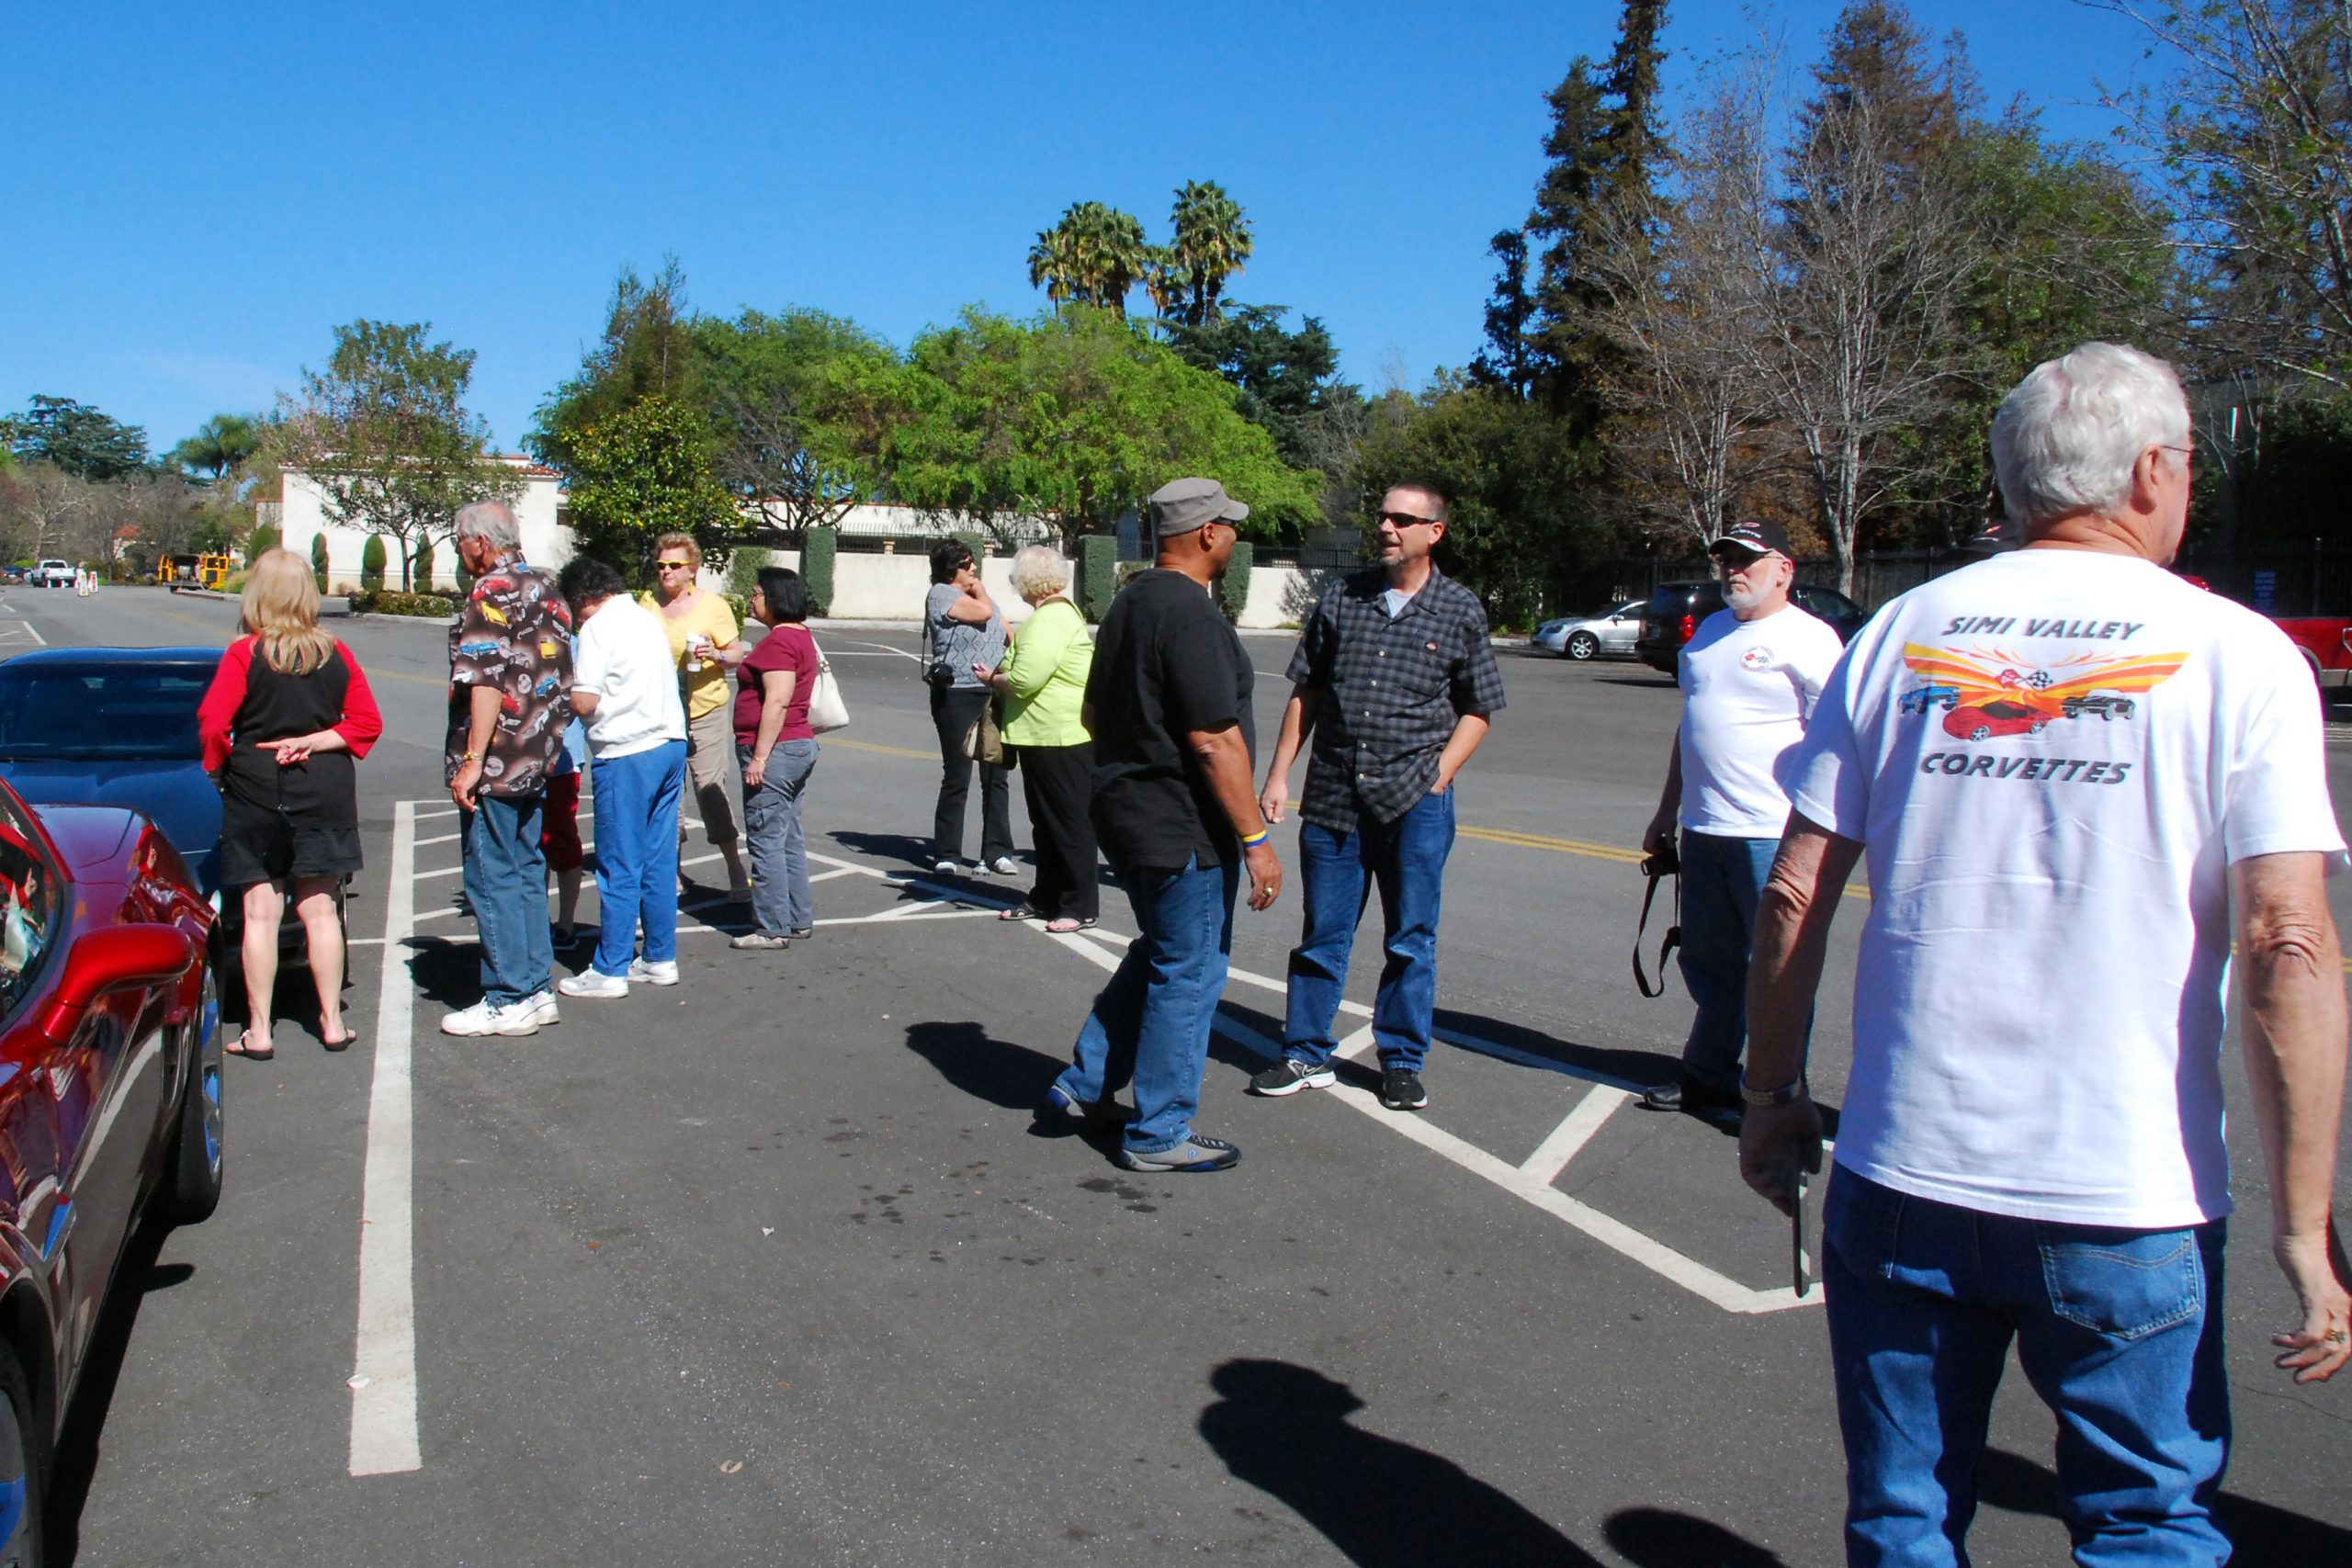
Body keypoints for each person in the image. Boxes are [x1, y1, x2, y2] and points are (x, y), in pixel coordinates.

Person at [1740, 343, 2352, 1563]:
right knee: (2146, 1521)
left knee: (1906, 1513)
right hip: (2129, 1189)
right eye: (2181, 464)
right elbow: (2290, 935)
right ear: (2148, 476)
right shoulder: (2243, 657)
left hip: (1907, 1162)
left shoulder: (1900, 633)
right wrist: (2304, 1219)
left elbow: (1797, 887)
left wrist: (1767, 1094)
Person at [1043, 478, 1282, 1173]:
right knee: (1192, 970)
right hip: (1182, 829)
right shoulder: (1191, 616)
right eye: (1229, 526)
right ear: (1207, 532)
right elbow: (1215, 739)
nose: (1235, 537)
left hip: (1125, 813)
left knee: (1161, 951)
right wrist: (1257, 841)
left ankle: (1084, 1083)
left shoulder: (1127, 604)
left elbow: (1092, 715)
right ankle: (1159, 1133)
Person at [1250, 483, 1505, 1113]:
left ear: (1434, 531)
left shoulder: (1460, 609)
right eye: (1383, 516)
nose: (1387, 527)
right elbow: (1306, 692)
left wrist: (1440, 774)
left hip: (1414, 804)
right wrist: (1279, 773)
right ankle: (1306, 1050)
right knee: (1322, 933)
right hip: (1334, 797)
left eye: (1402, 519)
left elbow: (1478, 709)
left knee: (1411, 937)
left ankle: (1400, 1059)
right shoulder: (1343, 598)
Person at [1634, 518, 1845, 1117]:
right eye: (1726, 559)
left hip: (1774, 834)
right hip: (1705, 829)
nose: (1734, 570)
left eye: (1747, 559)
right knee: (1710, 963)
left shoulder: (1811, 639)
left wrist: (1819, 828)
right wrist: (1666, 811)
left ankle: (1778, 1093)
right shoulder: (1706, 634)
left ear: (1784, 569)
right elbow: (1692, 729)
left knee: (1778, 967)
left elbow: (1837, 739)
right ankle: (1708, 1076)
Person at [198, 548, 382, 1058]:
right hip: (323, 788)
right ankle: (331, 1022)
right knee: (320, 909)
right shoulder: (335, 652)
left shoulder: (243, 654)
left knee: (260, 911)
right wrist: (316, 740)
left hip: (257, 787)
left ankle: (259, 1030)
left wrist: (218, 767)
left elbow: (214, 724)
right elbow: (366, 723)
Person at [441, 500, 575, 1038]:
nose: (459, 551)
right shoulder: (546, 587)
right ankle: (534, 986)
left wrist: (472, 760)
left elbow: (486, 681)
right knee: (522, 871)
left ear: (480, 541)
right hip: (537, 755)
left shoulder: (491, 591)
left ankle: (509, 995)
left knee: (492, 875)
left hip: (498, 760)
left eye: (459, 541)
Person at [555, 556, 689, 998]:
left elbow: (587, 701)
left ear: (585, 600)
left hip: (626, 751)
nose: (577, 619)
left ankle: (610, 967)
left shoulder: (597, 628)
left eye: (576, 610)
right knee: (657, 857)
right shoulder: (644, 617)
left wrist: (557, 695)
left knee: (619, 861)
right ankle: (658, 957)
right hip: (669, 742)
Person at [980, 546, 1097, 932]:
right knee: (1046, 824)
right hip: (1043, 736)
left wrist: (994, 679)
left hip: (1060, 736)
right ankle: (1047, 896)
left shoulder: (1050, 621)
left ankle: (1079, 905)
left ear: (1029, 581)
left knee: (1067, 823)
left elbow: (1024, 680)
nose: (1015, 586)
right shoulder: (1053, 617)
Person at [641, 533, 752, 903]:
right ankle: (671, 872)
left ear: (692, 570)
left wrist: (714, 654)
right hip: (660, 710)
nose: (666, 572)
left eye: (674, 565)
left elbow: (736, 654)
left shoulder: (714, 606)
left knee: (710, 788)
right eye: (661, 565)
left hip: (705, 707)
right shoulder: (647, 603)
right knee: (668, 794)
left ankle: (736, 869)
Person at [727, 566, 822, 950]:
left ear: (776, 597)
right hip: (796, 746)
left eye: (757, 593)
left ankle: (771, 927)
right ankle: (796, 918)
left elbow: (778, 699)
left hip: (777, 749)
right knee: (787, 838)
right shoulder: (798, 637)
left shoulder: (781, 641)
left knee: (766, 838)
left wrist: (760, 758)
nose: (752, 599)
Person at [923, 540, 1015, 876]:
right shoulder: (941, 595)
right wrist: (982, 592)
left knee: (996, 774)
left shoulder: (982, 597)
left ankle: (997, 851)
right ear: (951, 570)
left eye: (972, 562)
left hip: (991, 690)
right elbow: (984, 614)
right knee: (958, 773)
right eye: (966, 564)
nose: (973, 568)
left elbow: (1007, 632)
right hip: (957, 693)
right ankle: (948, 852)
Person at [543, 716, 589, 949]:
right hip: (523, 761)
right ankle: (538, 919)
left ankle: (566, 924)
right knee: (533, 845)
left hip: (561, 761)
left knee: (562, 841)